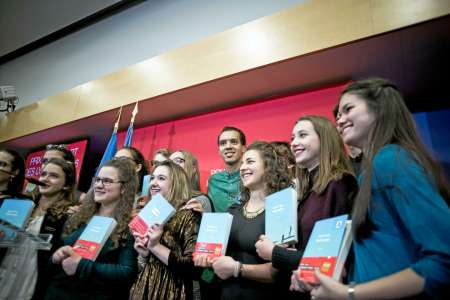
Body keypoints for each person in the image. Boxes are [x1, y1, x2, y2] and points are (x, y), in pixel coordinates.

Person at [293, 78, 450, 299]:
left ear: (379, 110)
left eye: (348, 109)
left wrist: (348, 293)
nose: (339, 120)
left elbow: (443, 260)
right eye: (338, 114)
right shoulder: (370, 170)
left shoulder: (391, 161)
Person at [255, 116, 357, 298]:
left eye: (302, 135)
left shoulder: (339, 183)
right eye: (292, 138)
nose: (294, 143)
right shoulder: (307, 191)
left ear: (324, 138)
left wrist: (275, 253)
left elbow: (330, 260)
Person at [194, 141, 292, 300]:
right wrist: (207, 259)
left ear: (268, 166)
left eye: (250, 161)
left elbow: (277, 272)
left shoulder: (280, 209)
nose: (243, 167)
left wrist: (237, 268)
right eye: (243, 163)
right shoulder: (232, 211)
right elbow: (213, 263)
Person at [45, 159, 138, 300]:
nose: (99, 185)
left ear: (124, 188)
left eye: (107, 181)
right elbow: (50, 262)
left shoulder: (129, 226)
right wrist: (55, 257)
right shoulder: (77, 216)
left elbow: (127, 272)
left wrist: (81, 265)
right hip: (56, 293)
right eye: (98, 179)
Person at [0, 157, 76, 300]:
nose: (45, 179)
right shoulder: (20, 205)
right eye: (43, 174)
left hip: (31, 282)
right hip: (4, 272)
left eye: (53, 176)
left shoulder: (66, 217)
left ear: (66, 185)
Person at [129, 160, 201, 300]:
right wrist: (143, 256)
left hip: (175, 292)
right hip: (143, 290)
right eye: (152, 178)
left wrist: (155, 246)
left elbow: (194, 269)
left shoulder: (188, 214)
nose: (153, 183)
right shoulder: (146, 215)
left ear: (176, 184)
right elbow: (142, 267)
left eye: (161, 178)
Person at [207, 126, 246, 213]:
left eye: (234, 142)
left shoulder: (251, 177)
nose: (228, 146)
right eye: (223, 143)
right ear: (219, 151)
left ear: (244, 148)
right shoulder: (213, 181)